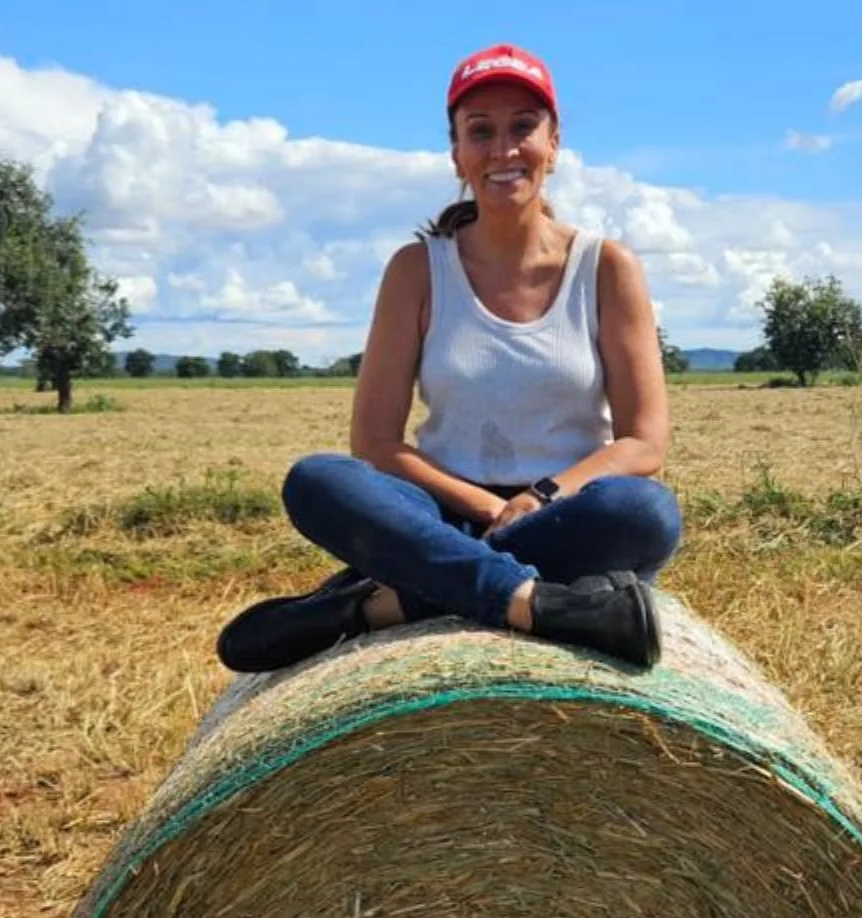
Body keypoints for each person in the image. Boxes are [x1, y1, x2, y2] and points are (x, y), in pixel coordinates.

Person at [215, 41, 683, 674]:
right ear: (456, 151)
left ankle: (380, 606)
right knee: (318, 481)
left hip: (567, 513)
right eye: (479, 131)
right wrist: (488, 510)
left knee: (642, 511)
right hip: (441, 513)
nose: (503, 149)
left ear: (554, 141)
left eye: (523, 127)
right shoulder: (418, 269)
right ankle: (527, 600)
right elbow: (376, 443)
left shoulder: (606, 267)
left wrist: (540, 498)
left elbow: (643, 442)